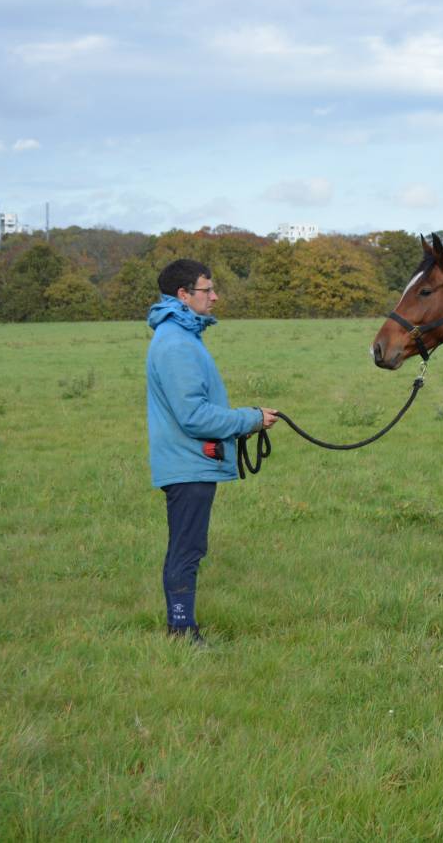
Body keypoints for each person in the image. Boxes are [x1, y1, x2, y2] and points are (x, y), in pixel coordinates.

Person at [146, 259, 279, 644]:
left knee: (188, 546)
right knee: (186, 549)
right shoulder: (176, 343)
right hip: (188, 462)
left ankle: (181, 628)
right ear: (183, 295)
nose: (215, 297)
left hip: (191, 461)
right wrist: (249, 419)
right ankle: (182, 631)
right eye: (208, 289)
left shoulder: (182, 336)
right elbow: (193, 415)